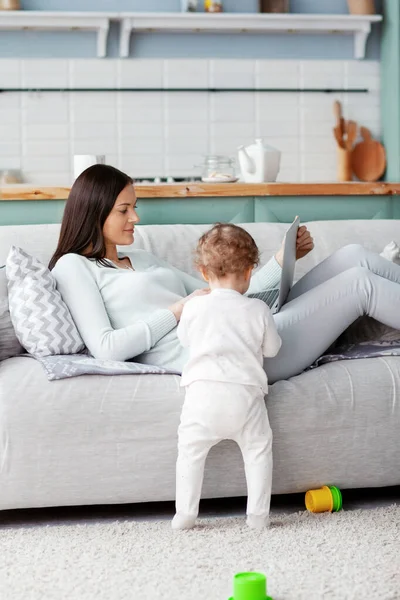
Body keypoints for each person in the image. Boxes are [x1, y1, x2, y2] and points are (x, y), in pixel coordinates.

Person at [50, 164, 400, 384]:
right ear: (94, 213)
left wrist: (281, 260)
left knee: (353, 256)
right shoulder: (73, 266)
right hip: (235, 351)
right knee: (359, 285)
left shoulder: (140, 256)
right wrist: (175, 312)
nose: (136, 219)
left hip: (248, 323)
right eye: (124, 210)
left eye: (135, 207)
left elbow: (229, 293)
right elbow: (107, 349)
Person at [172, 224, 282, 530]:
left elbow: (184, 339)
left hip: (201, 396)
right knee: (258, 451)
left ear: (203, 272)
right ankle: (258, 517)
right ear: (249, 273)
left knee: (190, 453)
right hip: (244, 396)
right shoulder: (258, 309)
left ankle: (185, 514)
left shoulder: (194, 307)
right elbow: (272, 350)